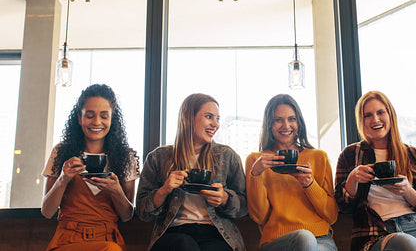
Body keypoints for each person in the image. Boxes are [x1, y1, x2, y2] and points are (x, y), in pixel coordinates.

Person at [334, 91, 416, 251]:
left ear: (390, 115)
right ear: (361, 121)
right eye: (367, 115)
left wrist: (409, 192)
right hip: (375, 232)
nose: (375, 119)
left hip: (415, 226)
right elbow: (342, 206)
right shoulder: (350, 155)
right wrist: (353, 179)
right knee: (405, 244)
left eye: (380, 112)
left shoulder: (415, 155)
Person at [136, 93, 248, 251]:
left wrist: (224, 199)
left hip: (217, 233)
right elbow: (142, 212)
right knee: (184, 245)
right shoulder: (158, 158)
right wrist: (164, 190)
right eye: (209, 117)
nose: (215, 124)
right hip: (174, 233)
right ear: (187, 117)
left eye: (217, 119)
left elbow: (244, 206)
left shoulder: (227, 156)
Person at [41, 84, 140, 251]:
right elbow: (47, 211)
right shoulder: (61, 152)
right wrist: (63, 179)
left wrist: (116, 191)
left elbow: (126, 216)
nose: (96, 122)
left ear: (112, 119)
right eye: (89, 115)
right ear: (80, 118)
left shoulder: (126, 157)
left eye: (104, 116)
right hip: (67, 240)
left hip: (108, 241)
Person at [246, 94, 338, 251]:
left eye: (291, 119)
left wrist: (309, 184)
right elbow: (259, 217)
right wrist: (255, 175)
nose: (286, 125)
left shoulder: (318, 157)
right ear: (269, 124)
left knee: (307, 239)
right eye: (278, 120)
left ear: (299, 123)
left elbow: (331, 216)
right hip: (277, 241)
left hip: (321, 240)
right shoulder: (257, 161)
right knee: (303, 237)